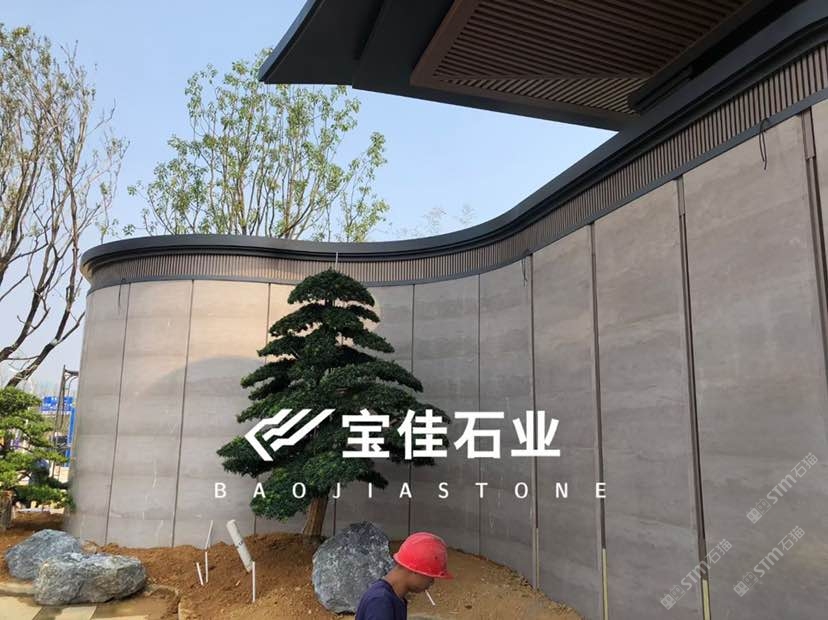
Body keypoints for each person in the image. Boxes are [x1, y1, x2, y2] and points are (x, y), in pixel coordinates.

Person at [355, 531, 453, 620]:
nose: (432, 582)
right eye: (430, 577)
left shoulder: (395, 598)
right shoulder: (380, 601)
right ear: (415, 570)